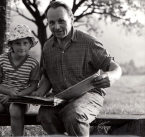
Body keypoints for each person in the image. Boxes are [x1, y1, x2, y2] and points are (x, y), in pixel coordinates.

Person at [31, 1, 122, 137]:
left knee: (73, 114)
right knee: (45, 115)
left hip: (89, 96)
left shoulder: (88, 42)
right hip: (59, 98)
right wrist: (39, 93)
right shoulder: (47, 47)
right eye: (52, 23)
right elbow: (48, 77)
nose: (56, 27)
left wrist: (112, 76)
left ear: (72, 19)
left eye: (61, 21)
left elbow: (115, 67)